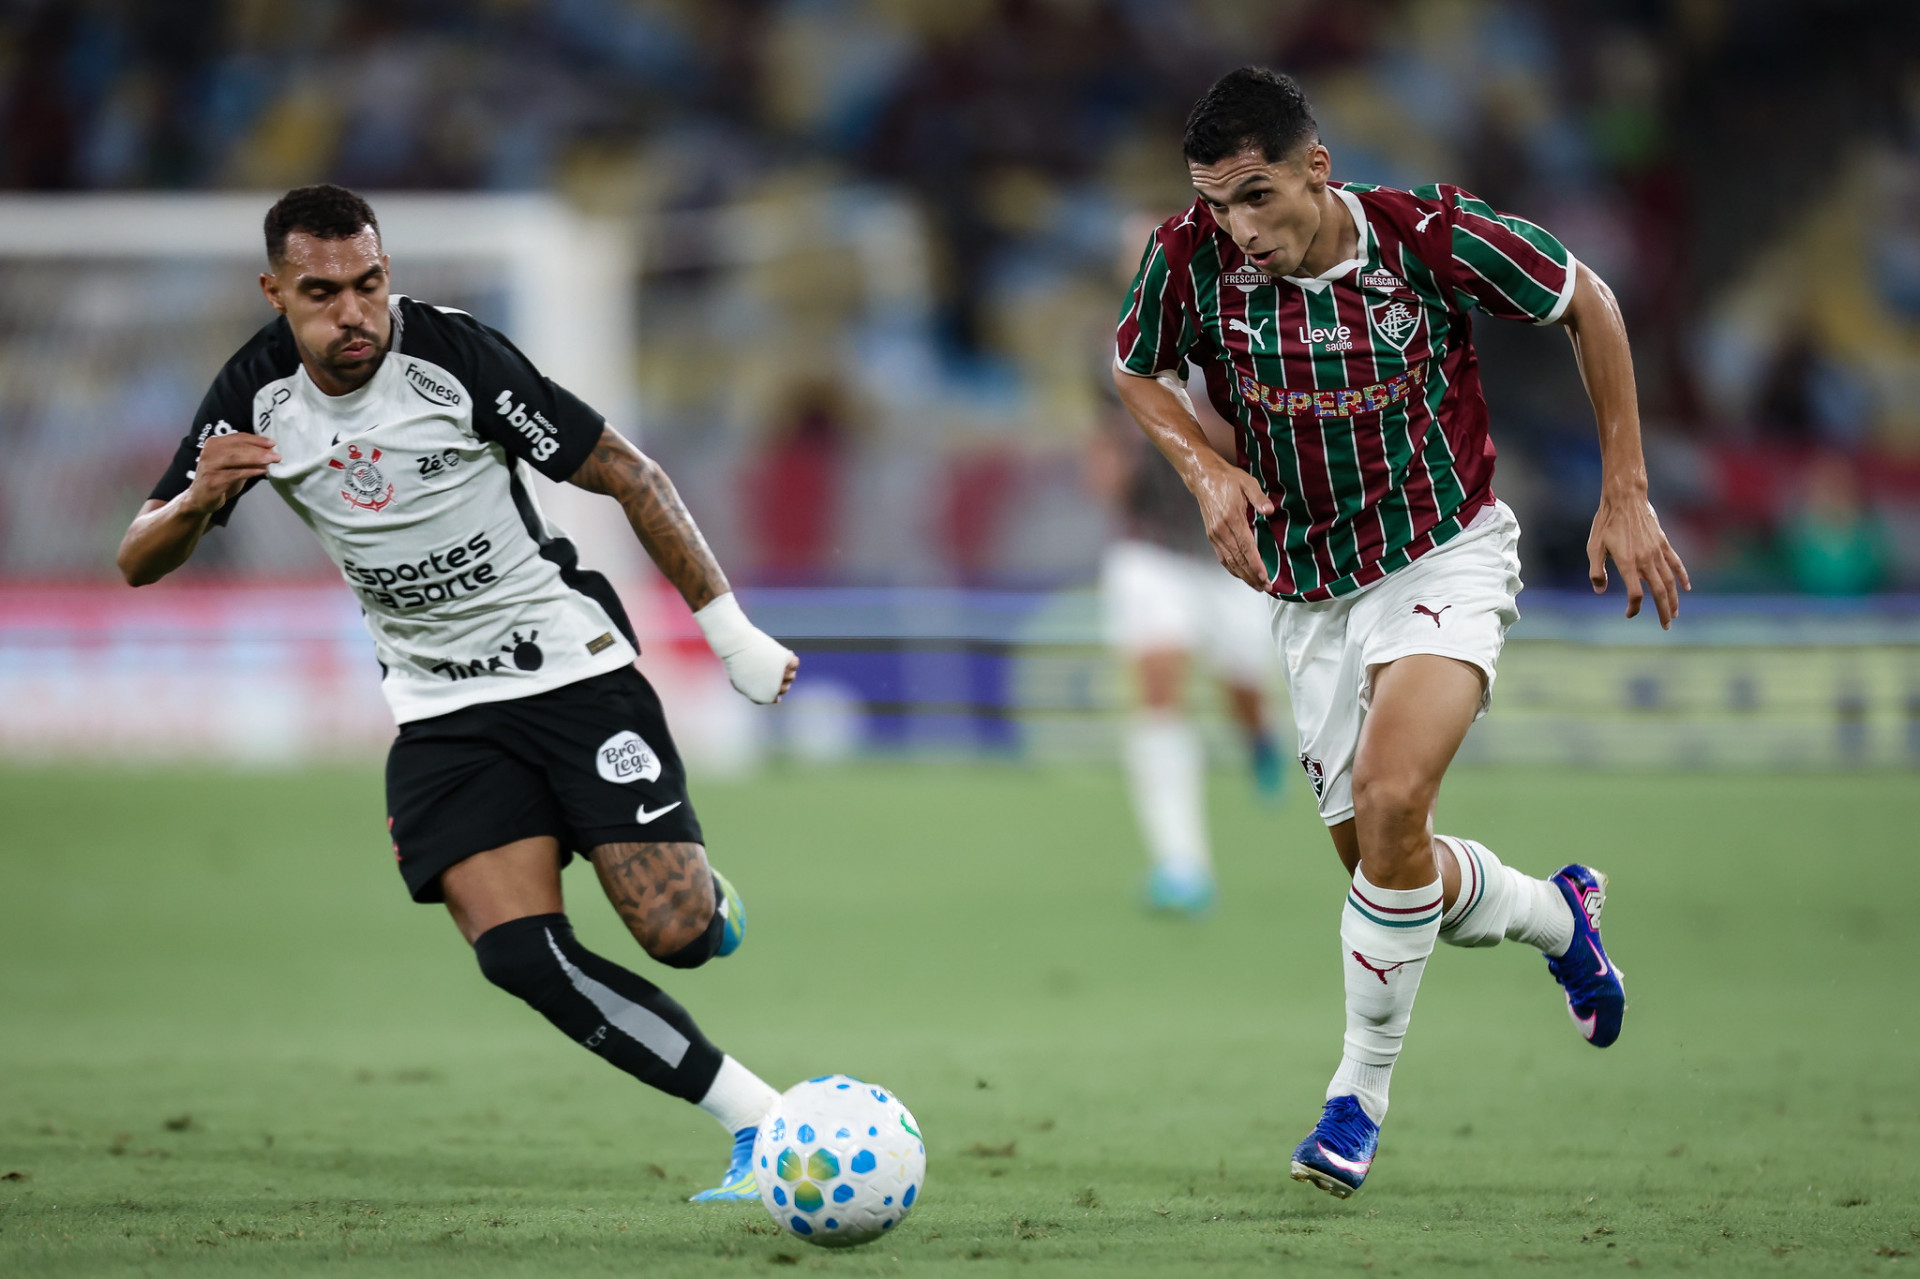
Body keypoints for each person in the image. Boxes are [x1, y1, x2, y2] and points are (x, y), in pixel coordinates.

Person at [117, 184, 799, 1203]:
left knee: (677, 934)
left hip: (569, 671)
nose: (355, 312)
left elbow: (626, 471)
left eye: (371, 283)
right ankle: (764, 1122)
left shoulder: (453, 357)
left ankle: (706, 903)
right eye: (323, 292)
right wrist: (202, 498)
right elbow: (137, 557)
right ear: (275, 293)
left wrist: (728, 632)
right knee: (519, 954)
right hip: (442, 711)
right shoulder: (251, 397)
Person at [1112, 69, 1689, 1197]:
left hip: (1444, 551)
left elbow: (1591, 302)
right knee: (1392, 863)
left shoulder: (1429, 235)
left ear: (1317, 169)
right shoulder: (1191, 257)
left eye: (1258, 195)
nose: (1240, 228)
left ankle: (1355, 1100)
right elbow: (1136, 368)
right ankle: (1558, 917)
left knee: (1389, 800)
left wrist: (1626, 487)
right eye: (1219, 202)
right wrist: (1207, 469)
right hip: (1311, 591)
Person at [1088, 401, 1284, 915]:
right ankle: (1182, 866)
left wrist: (1182, 426)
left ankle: (1260, 739)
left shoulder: (1225, 364)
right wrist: (1120, 449)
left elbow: (1254, 449)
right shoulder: (1128, 377)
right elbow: (1105, 482)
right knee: (1158, 692)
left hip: (1229, 557)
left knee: (1244, 688)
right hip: (1152, 556)